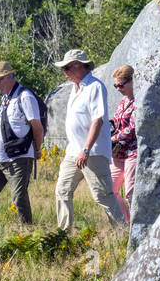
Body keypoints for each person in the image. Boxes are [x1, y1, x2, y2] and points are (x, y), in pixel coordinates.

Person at [53, 49, 128, 230]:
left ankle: (123, 234)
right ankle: (63, 233)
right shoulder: (76, 88)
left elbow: (98, 120)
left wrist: (86, 149)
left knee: (103, 195)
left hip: (92, 152)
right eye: (64, 68)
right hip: (73, 151)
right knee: (62, 190)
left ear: (79, 65)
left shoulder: (95, 86)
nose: (65, 72)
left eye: (68, 67)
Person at [0, 61, 43, 224]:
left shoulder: (25, 97)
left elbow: (37, 127)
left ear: (8, 77)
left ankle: (28, 232)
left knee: (18, 197)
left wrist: (37, 149)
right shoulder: (6, 99)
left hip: (19, 157)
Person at [109, 64, 137, 223]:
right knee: (109, 190)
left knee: (131, 193)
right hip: (118, 153)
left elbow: (133, 128)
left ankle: (137, 228)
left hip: (133, 152)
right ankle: (125, 224)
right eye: (115, 85)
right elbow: (117, 123)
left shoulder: (139, 101)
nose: (118, 88)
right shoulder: (122, 102)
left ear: (132, 81)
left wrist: (113, 138)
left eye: (121, 85)